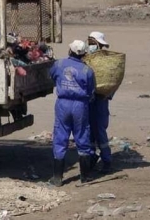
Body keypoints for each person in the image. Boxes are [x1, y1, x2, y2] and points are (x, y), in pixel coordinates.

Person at [48, 40, 96, 186]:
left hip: (63, 103)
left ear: (70, 51)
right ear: (83, 54)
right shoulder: (87, 70)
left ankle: (57, 178)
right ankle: (85, 177)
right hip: (80, 105)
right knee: (82, 136)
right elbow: (91, 90)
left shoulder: (59, 64)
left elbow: (52, 77)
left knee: (60, 136)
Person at [87, 31, 113, 174]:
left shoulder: (106, 62)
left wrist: (106, 94)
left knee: (100, 131)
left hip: (100, 101)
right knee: (90, 131)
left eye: (93, 44)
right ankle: (91, 157)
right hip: (90, 101)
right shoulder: (86, 59)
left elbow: (112, 81)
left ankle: (106, 160)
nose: (91, 46)